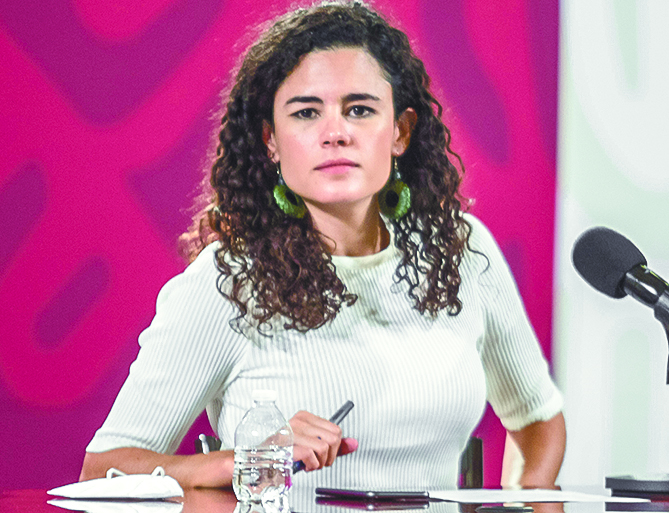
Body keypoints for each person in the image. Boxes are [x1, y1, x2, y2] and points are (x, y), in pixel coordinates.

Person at [80, 0, 565, 490]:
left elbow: (539, 420)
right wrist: (238, 462)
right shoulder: (227, 281)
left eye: (359, 110)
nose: (335, 133)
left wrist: (534, 500)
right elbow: (101, 471)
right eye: (307, 112)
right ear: (271, 140)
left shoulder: (462, 250)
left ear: (400, 132)